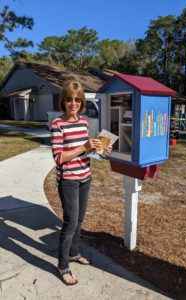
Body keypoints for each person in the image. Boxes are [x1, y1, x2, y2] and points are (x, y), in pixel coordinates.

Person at [50, 80, 111, 285]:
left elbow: (85, 151)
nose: (73, 103)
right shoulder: (57, 125)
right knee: (70, 223)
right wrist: (84, 146)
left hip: (85, 176)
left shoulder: (84, 121)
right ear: (63, 101)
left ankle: (74, 253)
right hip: (68, 180)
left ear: (82, 102)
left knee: (80, 221)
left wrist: (99, 148)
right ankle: (62, 265)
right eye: (69, 99)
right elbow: (59, 158)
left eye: (77, 100)